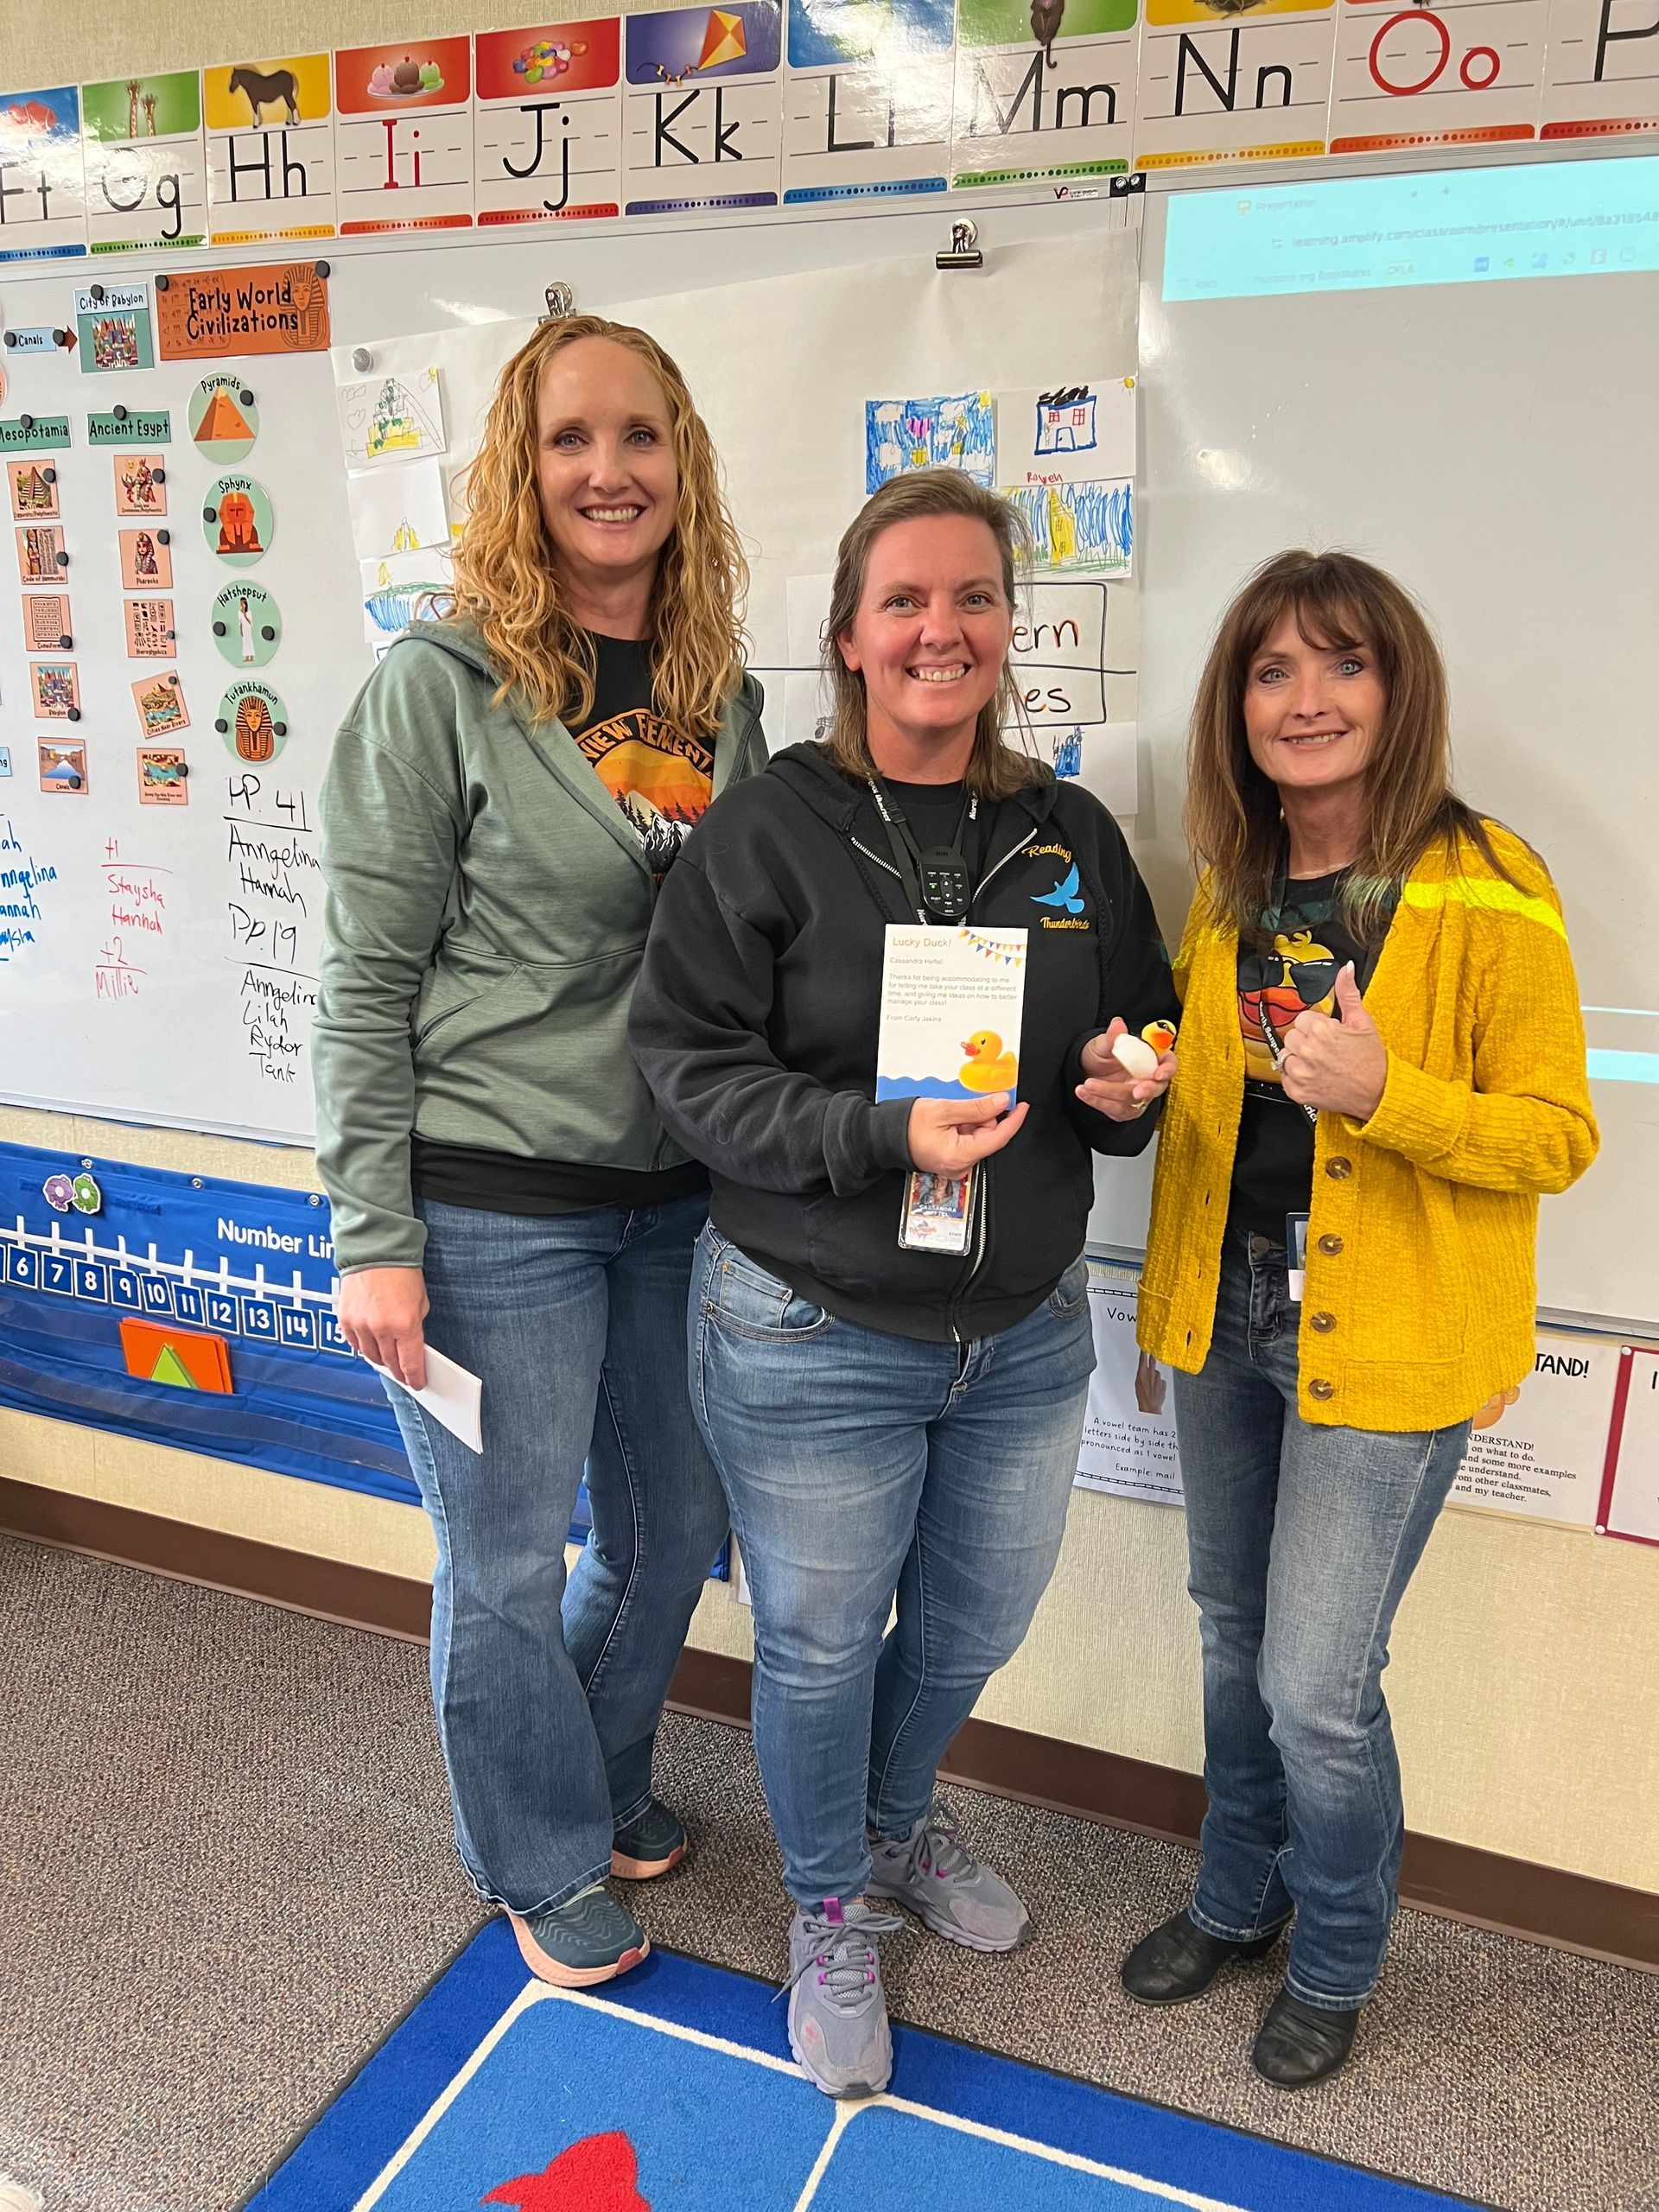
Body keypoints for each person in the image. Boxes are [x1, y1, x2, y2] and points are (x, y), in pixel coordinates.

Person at [630, 470, 1179, 2098]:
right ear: (852, 638)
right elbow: (687, 1065)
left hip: (1015, 1334)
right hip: (808, 1324)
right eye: (907, 603)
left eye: (974, 600)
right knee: (814, 1645)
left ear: (1012, 626)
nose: (943, 631)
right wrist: (876, 1132)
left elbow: (1139, 1021)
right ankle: (825, 1909)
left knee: (969, 1625)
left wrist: (1128, 1078)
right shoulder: (766, 827)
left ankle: (889, 1823)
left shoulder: (1068, 833)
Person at [313, 315, 764, 1990]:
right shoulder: (443, 691)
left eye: (640, 435)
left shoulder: (728, 696)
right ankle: (539, 1846)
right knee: (503, 1558)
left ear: (682, 459)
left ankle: (592, 1764)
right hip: (487, 1198)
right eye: (571, 438)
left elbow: (761, 943)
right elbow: (359, 973)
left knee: (673, 1526)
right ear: (520, 465)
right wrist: (373, 1228)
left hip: (674, 1199)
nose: (608, 470)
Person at [1125, 550, 1598, 2087]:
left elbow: (1556, 1135)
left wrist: (1395, 1099)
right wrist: (1170, 1292)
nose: (1306, 700)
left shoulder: (1487, 883)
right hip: (1235, 1308)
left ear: (1398, 690)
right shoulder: (1233, 878)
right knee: (1230, 1635)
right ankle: (1235, 1896)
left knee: (1315, 1684)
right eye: (1272, 672)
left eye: (1343, 665)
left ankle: (1335, 1955)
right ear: (1236, 707)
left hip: (1391, 1332)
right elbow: (1216, 1120)